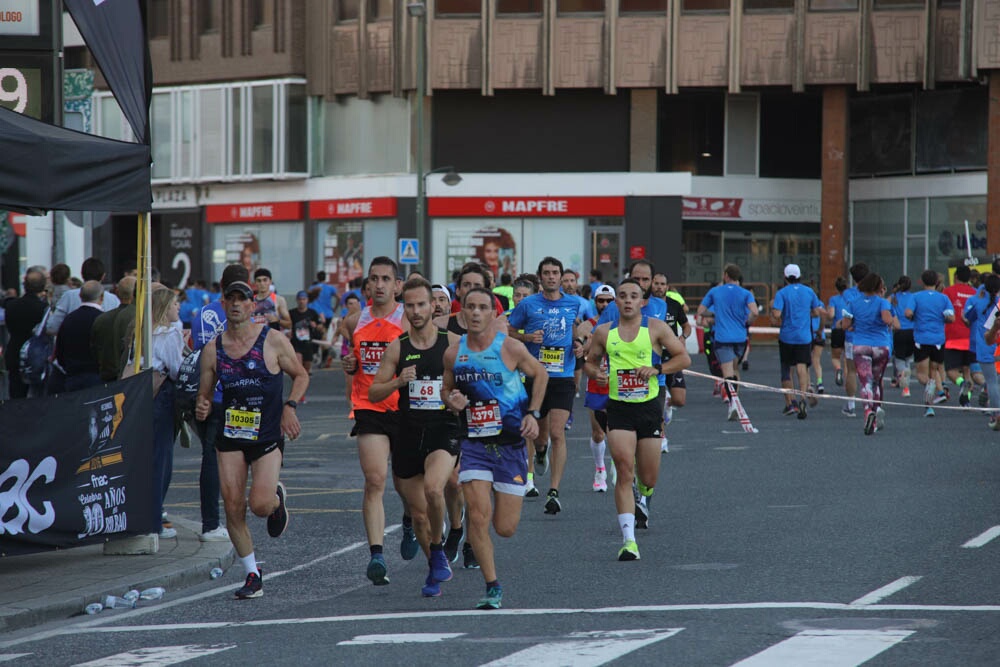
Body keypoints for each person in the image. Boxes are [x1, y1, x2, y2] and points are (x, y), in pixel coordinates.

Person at [195, 279, 308, 599]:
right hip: (230, 434)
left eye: (241, 299)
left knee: (258, 504)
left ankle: (275, 502)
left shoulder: (272, 341)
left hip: (267, 435)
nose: (235, 304)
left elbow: (300, 375)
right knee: (232, 506)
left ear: (252, 305)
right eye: (229, 298)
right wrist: (202, 406)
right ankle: (252, 574)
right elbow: (204, 396)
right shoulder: (213, 349)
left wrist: (290, 407)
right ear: (222, 303)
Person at [441, 287, 548, 609]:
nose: (475, 313)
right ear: (462, 315)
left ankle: (490, 571)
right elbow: (446, 390)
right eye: (470, 307)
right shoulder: (453, 353)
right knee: (477, 515)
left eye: (482, 308)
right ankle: (492, 586)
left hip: (512, 446)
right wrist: (452, 401)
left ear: (492, 314)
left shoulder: (511, 348)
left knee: (505, 528)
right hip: (474, 444)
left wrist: (533, 413)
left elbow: (540, 373)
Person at [584, 279, 690, 560]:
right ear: (616, 302)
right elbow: (589, 362)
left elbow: (683, 359)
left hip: (649, 408)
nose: (628, 300)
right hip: (618, 408)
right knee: (622, 468)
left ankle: (644, 491)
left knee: (648, 477)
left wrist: (658, 369)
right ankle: (628, 541)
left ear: (643, 301)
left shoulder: (656, 328)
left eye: (634, 296)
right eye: (622, 296)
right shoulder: (605, 332)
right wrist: (596, 374)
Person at [369, 277, 461, 597]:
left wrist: (461, 398)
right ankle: (435, 558)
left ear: (433, 305)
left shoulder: (451, 343)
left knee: (435, 489)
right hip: (408, 433)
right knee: (419, 515)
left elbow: (472, 381)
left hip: (443, 429)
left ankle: (440, 547)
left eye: (422, 304)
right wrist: (398, 383)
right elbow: (374, 390)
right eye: (409, 306)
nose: (416, 311)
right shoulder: (398, 347)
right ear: (404, 308)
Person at [339, 257, 411, 585]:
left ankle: (410, 520)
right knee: (375, 479)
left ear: (398, 285)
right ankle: (377, 554)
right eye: (373, 279)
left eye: (386, 279)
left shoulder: (408, 319)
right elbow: (349, 355)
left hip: (406, 409)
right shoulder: (355, 321)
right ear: (367, 284)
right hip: (369, 407)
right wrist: (350, 363)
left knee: (407, 484)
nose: (379, 285)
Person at [507, 257, 583, 516]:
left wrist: (579, 343)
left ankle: (553, 491)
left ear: (562, 277)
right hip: (533, 375)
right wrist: (526, 337)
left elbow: (579, 329)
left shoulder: (574, 303)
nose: (551, 277)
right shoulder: (528, 304)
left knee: (558, 432)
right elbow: (508, 330)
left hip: (563, 376)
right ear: (540, 277)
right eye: (547, 273)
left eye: (555, 273)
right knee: (536, 434)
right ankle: (537, 459)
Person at [188, 264, 251, 542]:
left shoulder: (202, 313)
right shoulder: (246, 312)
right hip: (238, 394)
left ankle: (211, 521)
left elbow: (197, 349)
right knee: (243, 454)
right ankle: (217, 522)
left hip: (208, 391)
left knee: (212, 458)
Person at [696, 265, 759, 420]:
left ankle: (733, 404)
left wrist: (716, 313)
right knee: (735, 368)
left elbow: (700, 311)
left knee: (727, 373)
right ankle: (735, 400)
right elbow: (755, 312)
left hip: (723, 337)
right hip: (740, 337)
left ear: (725, 275)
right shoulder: (745, 293)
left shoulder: (715, 291)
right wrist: (747, 322)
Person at [147, 287, 185, 538]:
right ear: (164, 308)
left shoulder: (142, 331)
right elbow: (176, 369)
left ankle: (147, 515)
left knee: (148, 457)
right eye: (174, 304)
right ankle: (154, 519)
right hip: (163, 395)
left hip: (142, 395)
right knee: (162, 458)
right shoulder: (170, 333)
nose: (178, 308)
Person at [841, 273, 896, 435]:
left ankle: (868, 412)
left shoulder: (853, 302)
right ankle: (877, 408)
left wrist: (854, 325)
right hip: (881, 345)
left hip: (861, 345)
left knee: (865, 381)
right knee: (877, 381)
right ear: (879, 287)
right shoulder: (882, 303)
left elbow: (845, 324)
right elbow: (887, 320)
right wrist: (891, 322)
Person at [575, 284, 616, 491]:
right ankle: (600, 469)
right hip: (596, 384)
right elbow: (580, 347)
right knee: (598, 433)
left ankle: (617, 464)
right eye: (601, 300)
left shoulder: (623, 325)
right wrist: (585, 343)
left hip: (619, 385)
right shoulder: (587, 325)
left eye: (609, 301)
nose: (605, 304)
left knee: (617, 432)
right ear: (595, 302)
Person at [771, 264, 823, 418]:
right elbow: (816, 312)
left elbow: (777, 313)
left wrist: (775, 312)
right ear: (799, 276)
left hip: (787, 336)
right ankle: (803, 397)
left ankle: (791, 403)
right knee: (802, 367)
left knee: (787, 370)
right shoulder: (809, 292)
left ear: (785, 277)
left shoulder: (782, 293)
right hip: (804, 336)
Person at [905, 269, 955, 417]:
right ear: (937, 283)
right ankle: (934, 398)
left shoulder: (916, 297)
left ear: (922, 281)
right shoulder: (943, 298)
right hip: (938, 340)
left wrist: (914, 317)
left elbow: (907, 313)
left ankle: (930, 405)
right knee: (933, 372)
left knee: (922, 376)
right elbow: (951, 318)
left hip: (922, 339)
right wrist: (942, 318)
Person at [51, 280, 105, 393]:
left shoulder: (69, 319)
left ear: (80, 296)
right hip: (97, 376)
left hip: (72, 376)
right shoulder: (103, 320)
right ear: (101, 297)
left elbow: (59, 349)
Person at [46, 257, 121, 335]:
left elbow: (53, 327)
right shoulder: (113, 300)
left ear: (81, 274)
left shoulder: (69, 296)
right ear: (103, 276)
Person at [3, 270, 48, 399]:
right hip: (35, 355)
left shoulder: (12, 305)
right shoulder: (42, 308)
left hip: (14, 350)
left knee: (16, 393)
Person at [942, 265, 982, 406]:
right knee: (967, 370)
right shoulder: (975, 293)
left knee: (951, 371)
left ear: (955, 277)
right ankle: (966, 402)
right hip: (971, 338)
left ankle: (962, 384)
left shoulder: (948, 292)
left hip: (953, 337)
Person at [966, 273, 1000, 429]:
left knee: (992, 382)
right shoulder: (999, 303)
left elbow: (967, 317)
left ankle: (996, 414)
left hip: (984, 345)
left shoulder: (977, 301)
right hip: (998, 345)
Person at [91, 276, 137, 382]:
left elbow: (94, 349)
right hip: (129, 379)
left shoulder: (101, 319)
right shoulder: (139, 319)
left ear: (117, 292)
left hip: (105, 377)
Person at [889, 276, 916, 397]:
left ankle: (904, 382)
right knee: (907, 358)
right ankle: (906, 387)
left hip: (899, 331)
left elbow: (885, 303)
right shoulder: (913, 297)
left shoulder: (894, 298)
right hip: (912, 331)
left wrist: (893, 292)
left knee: (899, 359)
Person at [289, 290, 322, 378]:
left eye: (304, 299)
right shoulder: (292, 313)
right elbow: (287, 325)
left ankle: (303, 387)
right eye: (300, 299)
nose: (302, 301)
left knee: (306, 371)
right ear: (297, 300)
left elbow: (321, 327)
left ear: (307, 300)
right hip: (296, 343)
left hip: (308, 344)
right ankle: (298, 383)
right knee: (299, 368)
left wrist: (315, 325)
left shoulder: (312, 313)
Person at [827, 277, 849, 389]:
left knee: (836, 357)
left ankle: (838, 369)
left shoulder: (833, 299)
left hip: (837, 330)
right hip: (848, 329)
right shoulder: (851, 299)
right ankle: (847, 383)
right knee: (847, 358)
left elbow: (831, 315)